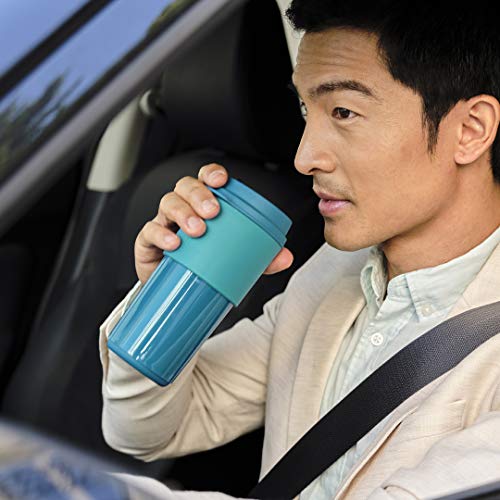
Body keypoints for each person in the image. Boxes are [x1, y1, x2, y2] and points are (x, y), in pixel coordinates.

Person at [99, 1, 500, 498]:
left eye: (344, 112)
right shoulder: (333, 274)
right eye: (306, 111)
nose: (304, 157)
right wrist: (165, 298)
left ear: (470, 129)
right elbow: (144, 431)